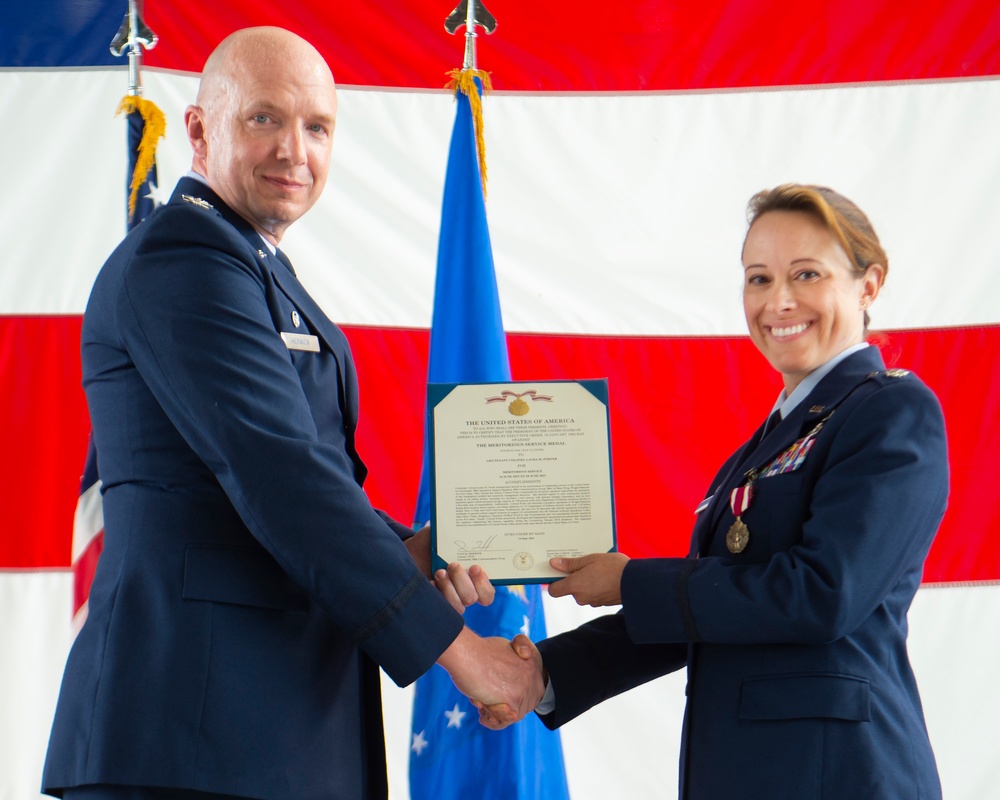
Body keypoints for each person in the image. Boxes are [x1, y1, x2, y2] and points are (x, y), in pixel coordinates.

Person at [42, 27, 541, 800]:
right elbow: (280, 473)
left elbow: (299, 477)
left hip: (259, 727)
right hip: (191, 735)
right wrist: (464, 657)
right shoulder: (182, 260)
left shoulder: (251, 265)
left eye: (317, 127)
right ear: (201, 131)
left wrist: (413, 553)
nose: (294, 151)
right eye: (264, 119)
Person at [485, 184, 949, 799]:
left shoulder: (893, 411)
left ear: (868, 286)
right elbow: (712, 612)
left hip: (840, 775)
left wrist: (630, 580)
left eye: (806, 273)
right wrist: (544, 671)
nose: (778, 301)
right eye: (758, 279)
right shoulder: (765, 446)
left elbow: (822, 594)